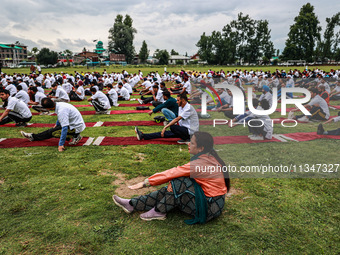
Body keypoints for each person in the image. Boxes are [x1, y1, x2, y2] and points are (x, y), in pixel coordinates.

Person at [112, 131, 230, 223]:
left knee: (178, 182)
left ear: (201, 148)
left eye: (192, 143)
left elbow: (173, 172)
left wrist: (145, 183)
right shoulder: (210, 156)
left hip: (210, 208)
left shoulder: (199, 164)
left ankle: (159, 211)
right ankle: (132, 204)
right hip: (215, 203)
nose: (189, 144)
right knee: (169, 189)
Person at [20, 98, 85, 152]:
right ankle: (33, 136)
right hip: (74, 124)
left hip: (75, 127)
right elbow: (60, 117)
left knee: (53, 133)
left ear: (48, 108)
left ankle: (75, 135)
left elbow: (64, 128)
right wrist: (57, 124)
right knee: (52, 130)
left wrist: (61, 144)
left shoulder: (61, 110)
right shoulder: (59, 105)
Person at [135, 93, 199, 144]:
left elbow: (177, 119)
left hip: (190, 132)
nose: (176, 102)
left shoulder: (188, 108)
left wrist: (165, 127)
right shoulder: (181, 106)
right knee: (164, 133)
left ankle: (188, 139)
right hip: (184, 129)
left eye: (178, 100)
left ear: (183, 101)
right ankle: (143, 136)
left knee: (173, 127)